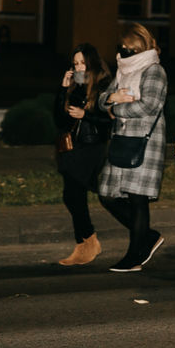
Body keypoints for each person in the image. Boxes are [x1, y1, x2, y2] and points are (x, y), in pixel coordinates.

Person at [97, 24, 167, 272]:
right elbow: (101, 98)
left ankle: (135, 255)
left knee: (138, 199)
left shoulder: (154, 70)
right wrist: (111, 99)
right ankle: (147, 236)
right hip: (122, 138)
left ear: (142, 46)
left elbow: (148, 106)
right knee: (107, 195)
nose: (125, 52)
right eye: (122, 48)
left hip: (145, 140)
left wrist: (115, 108)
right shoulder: (122, 71)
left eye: (130, 48)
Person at [53, 44, 113, 266]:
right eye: (75, 63)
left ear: (92, 63)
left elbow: (110, 119)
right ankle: (86, 242)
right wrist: (63, 88)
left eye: (82, 63)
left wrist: (85, 115)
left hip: (91, 146)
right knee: (71, 195)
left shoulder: (104, 84)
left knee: (74, 194)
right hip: (71, 146)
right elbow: (60, 119)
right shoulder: (75, 85)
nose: (79, 67)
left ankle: (87, 243)